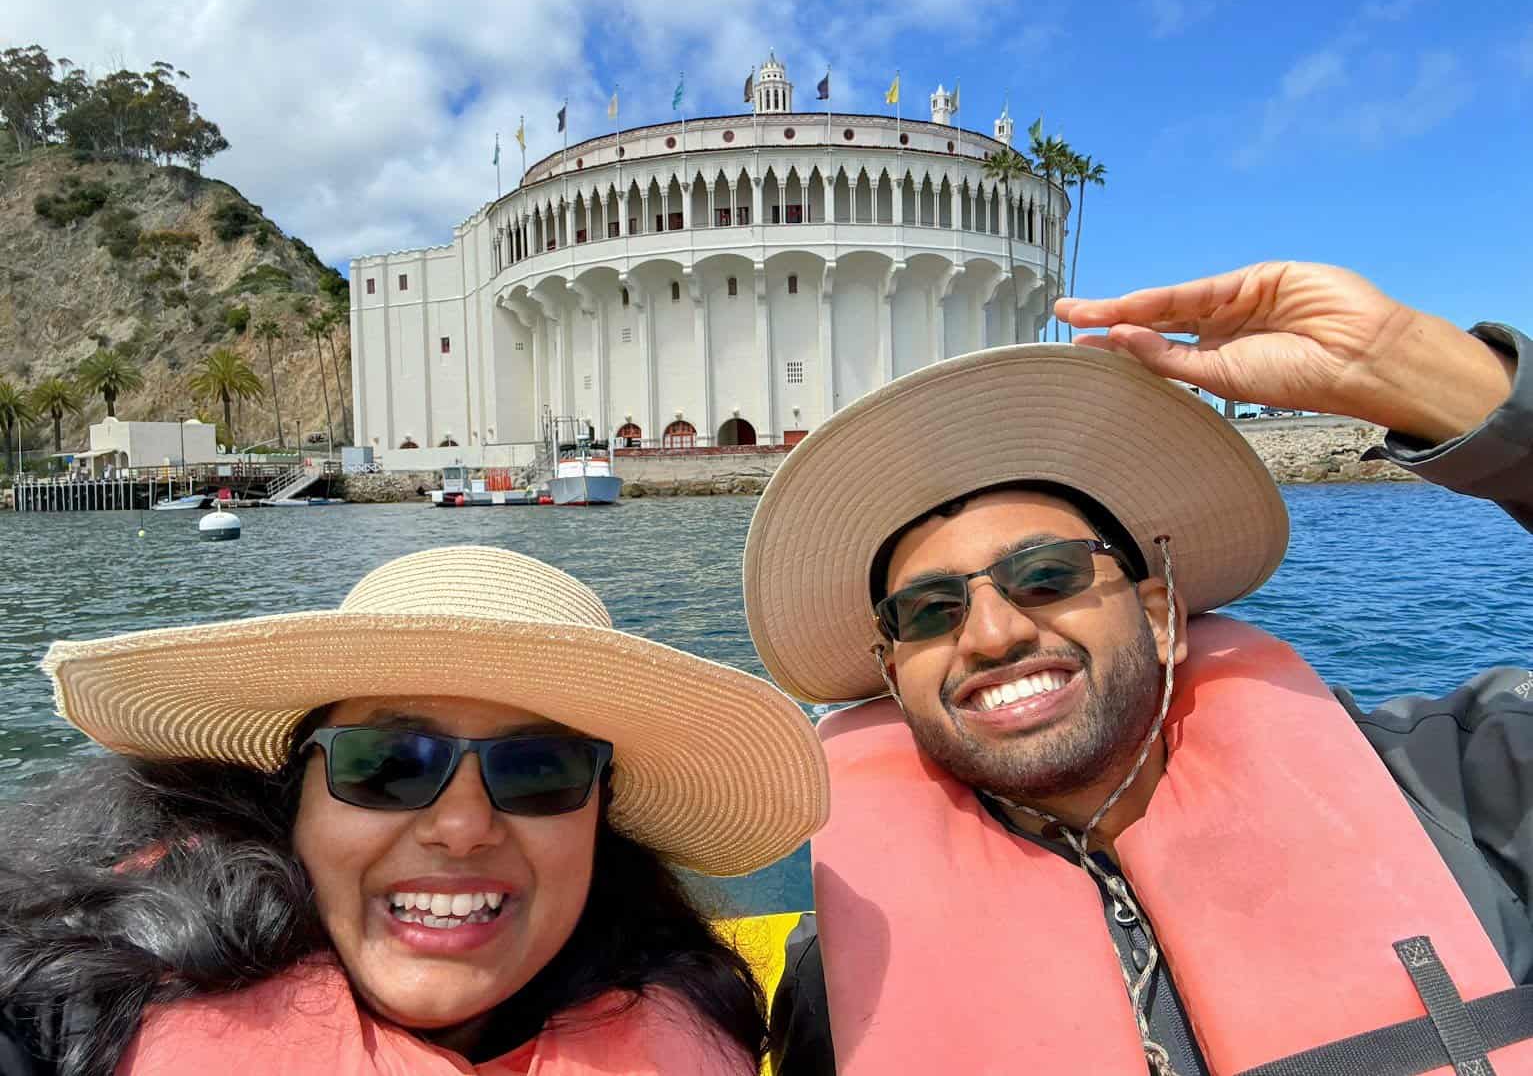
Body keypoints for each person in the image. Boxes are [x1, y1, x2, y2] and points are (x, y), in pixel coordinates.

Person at [743, 262, 1533, 1075]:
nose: (990, 634)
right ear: (892, 671)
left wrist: (1432, 376)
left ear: (1160, 618)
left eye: (1047, 576)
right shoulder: (841, 977)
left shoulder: (1463, 784)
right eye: (928, 611)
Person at [0, 545, 829, 1076]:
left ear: (597, 824)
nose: (462, 826)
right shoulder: (58, 1025)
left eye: (540, 770)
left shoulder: (691, 1028)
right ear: (292, 803)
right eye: (389, 765)